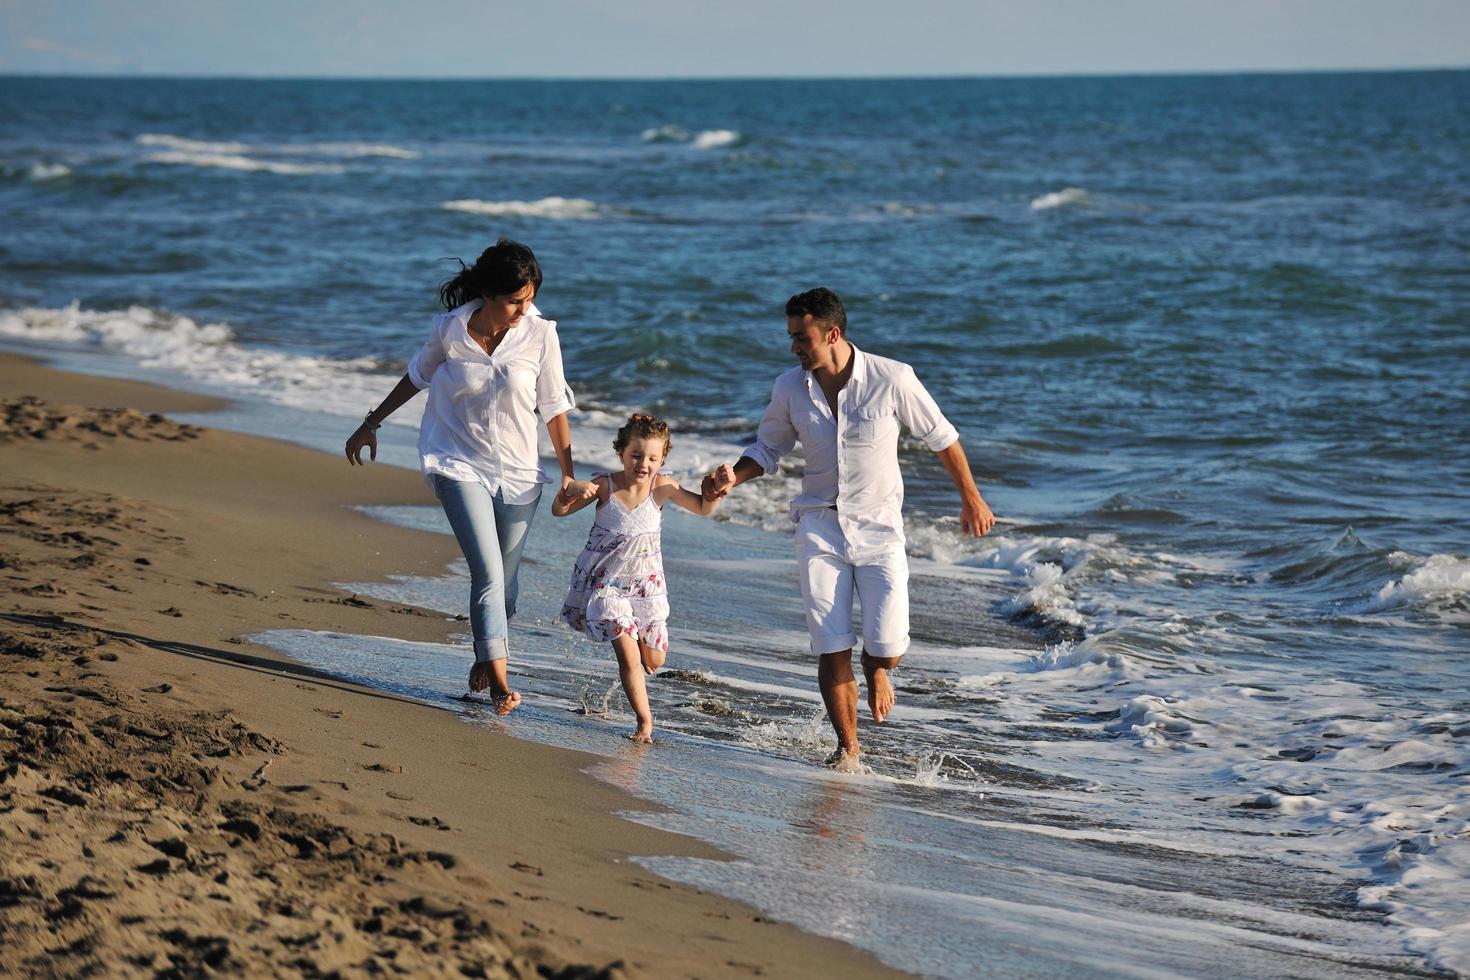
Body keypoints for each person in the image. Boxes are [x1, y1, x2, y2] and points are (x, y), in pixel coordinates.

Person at [702, 287, 995, 770]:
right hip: (819, 525)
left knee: (887, 644)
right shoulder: (790, 387)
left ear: (832, 333)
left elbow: (942, 437)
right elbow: (768, 449)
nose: (794, 348)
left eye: (802, 338)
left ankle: (879, 670)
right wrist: (734, 474)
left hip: (881, 529)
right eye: (792, 337)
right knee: (830, 641)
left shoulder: (892, 378)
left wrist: (972, 497)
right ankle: (848, 748)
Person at [345, 238, 595, 713]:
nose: (524, 310)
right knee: (487, 572)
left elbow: (554, 407)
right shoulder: (450, 331)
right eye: (513, 301)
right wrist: (370, 422)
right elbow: (416, 377)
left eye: (529, 299)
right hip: (455, 460)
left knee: (508, 580)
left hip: (521, 473)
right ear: (486, 293)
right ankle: (501, 681)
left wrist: (568, 474)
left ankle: (486, 651)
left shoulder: (541, 334)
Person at [553, 414, 734, 742]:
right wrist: (571, 491)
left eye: (652, 458)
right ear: (620, 452)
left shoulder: (662, 487)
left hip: (646, 588)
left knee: (654, 658)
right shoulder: (605, 486)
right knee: (630, 656)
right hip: (607, 586)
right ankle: (644, 723)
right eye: (636, 455)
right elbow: (559, 511)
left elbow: (704, 508)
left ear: (662, 458)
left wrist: (717, 488)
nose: (643, 464)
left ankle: (638, 640)